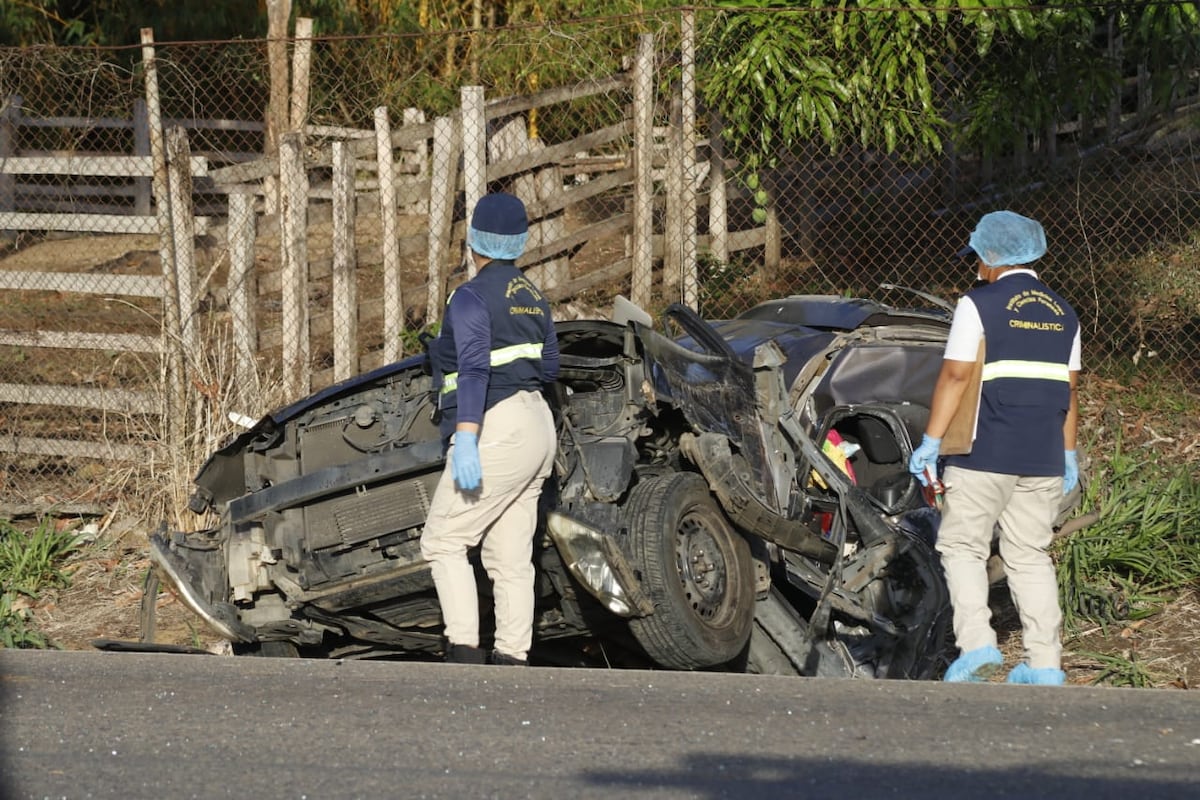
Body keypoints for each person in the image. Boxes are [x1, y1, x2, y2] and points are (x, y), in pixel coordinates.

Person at [909, 210, 1080, 686]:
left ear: (992, 259)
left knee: (962, 546)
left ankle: (978, 646)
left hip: (985, 451)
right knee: (1030, 555)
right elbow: (1069, 391)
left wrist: (931, 441)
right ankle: (1046, 666)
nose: (975, 268)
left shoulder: (977, 304)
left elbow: (957, 375)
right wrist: (1068, 454)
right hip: (1044, 455)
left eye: (978, 260)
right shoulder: (1064, 312)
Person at [420, 192, 559, 666]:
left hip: (495, 425)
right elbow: (552, 367)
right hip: (539, 424)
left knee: (443, 540)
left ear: (472, 240)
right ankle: (511, 661)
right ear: (520, 242)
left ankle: (462, 654)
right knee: (510, 559)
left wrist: (465, 435)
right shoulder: (534, 297)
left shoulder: (470, 295)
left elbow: (475, 368)